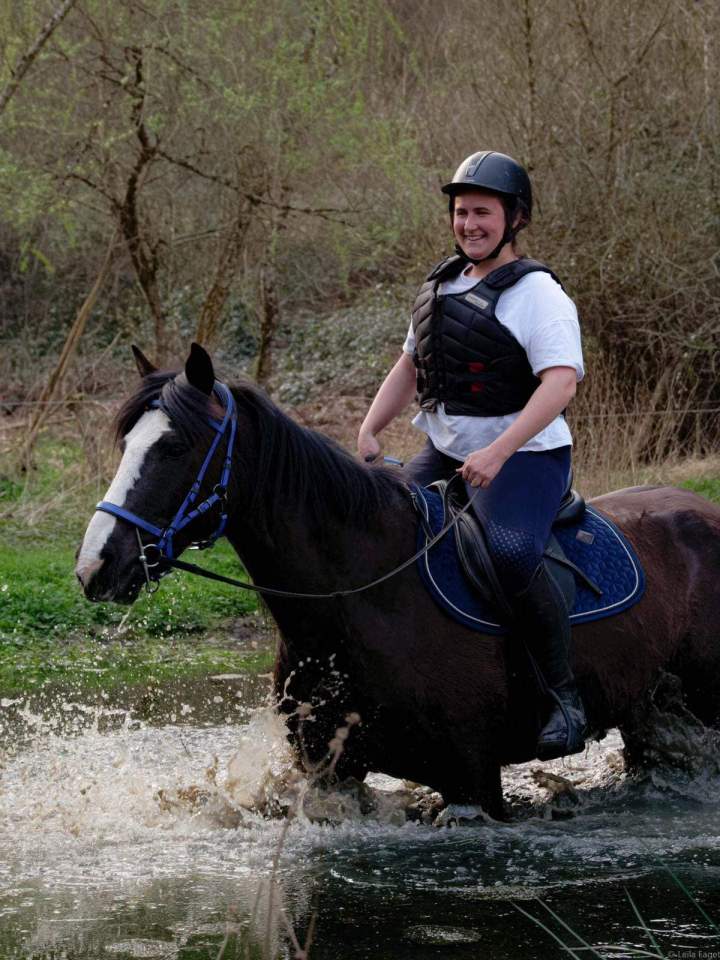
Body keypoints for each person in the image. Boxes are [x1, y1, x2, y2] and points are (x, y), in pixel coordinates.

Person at [357, 150, 587, 761]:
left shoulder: (538, 294)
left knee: (510, 553)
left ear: (513, 218)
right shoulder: (440, 284)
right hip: (446, 449)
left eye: (482, 212)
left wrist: (499, 450)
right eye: (461, 213)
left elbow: (560, 384)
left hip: (528, 457)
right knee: (385, 529)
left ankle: (563, 697)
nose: (469, 224)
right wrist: (371, 427)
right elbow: (411, 364)